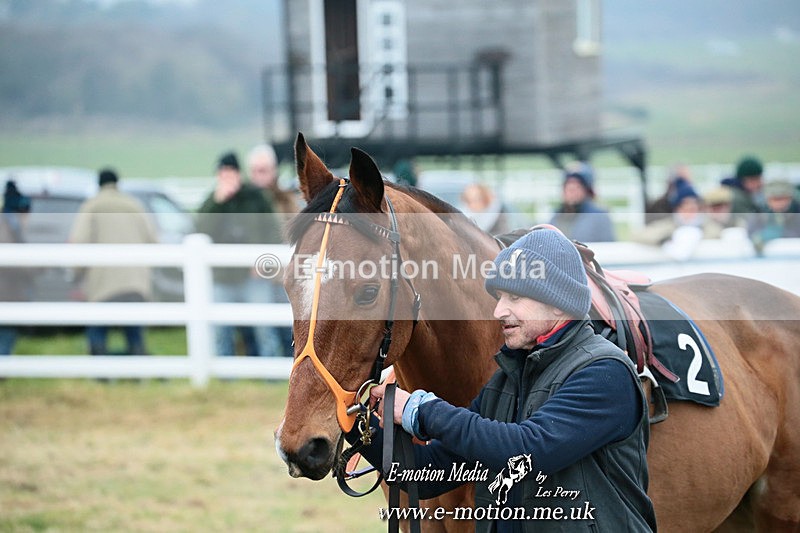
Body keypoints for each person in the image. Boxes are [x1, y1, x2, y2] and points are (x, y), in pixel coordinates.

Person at [353, 228, 656, 531]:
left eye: (514, 296)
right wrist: (356, 425)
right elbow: (427, 473)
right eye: (499, 297)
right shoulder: (506, 380)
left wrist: (422, 410)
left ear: (558, 303)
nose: (498, 310)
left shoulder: (604, 372)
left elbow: (525, 452)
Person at [196, 151, 284, 357]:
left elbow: (272, 232)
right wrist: (217, 202)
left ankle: (270, 373)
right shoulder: (212, 201)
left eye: (229, 172)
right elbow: (201, 231)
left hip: (253, 275)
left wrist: (263, 263)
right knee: (221, 330)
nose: (226, 177)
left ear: (237, 173)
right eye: (222, 173)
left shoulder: (254, 197)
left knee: (264, 328)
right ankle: (224, 377)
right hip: (222, 277)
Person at [69, 169, 158, 355]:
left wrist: (76, 274)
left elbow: (80, 242)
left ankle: (102, 374)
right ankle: (137, 371)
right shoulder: (134, 205)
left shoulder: (91, 206)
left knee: (98, 332)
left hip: (102, 284)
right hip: (134, 282)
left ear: (99, 184)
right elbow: (153, 240)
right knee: (134, 333)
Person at [247, 143, 298, 358]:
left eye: (264, 170)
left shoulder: (286, 200)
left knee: (288, 329)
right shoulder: (245, 200)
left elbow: (297, 231)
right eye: (255, 171)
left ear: (273, 170)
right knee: (262, 329)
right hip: (254, 276)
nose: (260, 176)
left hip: (281, 274)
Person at [634, 179, 724, 261]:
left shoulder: (707, 225)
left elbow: (718, 233)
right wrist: (665, 239)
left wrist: (696, 236)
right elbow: (640, 235)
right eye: (685, 209)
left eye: (692, 209)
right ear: (677, 209)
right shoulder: (669, 224)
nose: (689, 214)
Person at [0, 182, 32, 355]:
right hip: (7, 291)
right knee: (5, 335)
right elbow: (18, 262)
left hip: (8, 290)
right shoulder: (11, 226)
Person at [549, 162, 615, 243]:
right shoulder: (556, 217)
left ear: (586, 191)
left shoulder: (599, 217)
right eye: (568, 186)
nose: (571, 191)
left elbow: (609, 247)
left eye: (577, 187)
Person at [748, 180, 800, 253]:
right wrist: (761, 236)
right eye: (774, 199)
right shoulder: (759, 212)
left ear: (790, 199)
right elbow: (751, 233)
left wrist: (781, 232)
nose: (779, 203)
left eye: (782, 198)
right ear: (767, 200)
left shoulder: (796, 211)